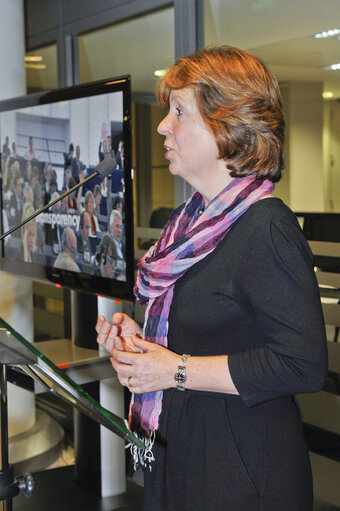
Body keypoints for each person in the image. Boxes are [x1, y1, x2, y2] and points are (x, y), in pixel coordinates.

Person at [95, 46, 328, 511]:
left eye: (179, 111)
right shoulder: (189, 225)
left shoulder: (266, 227)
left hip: (241, 475)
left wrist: (173, 368)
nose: (163, 125)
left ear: (227, 128)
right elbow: (200, 333)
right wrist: (141, 347)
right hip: (182, 455)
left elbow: (302, 363)